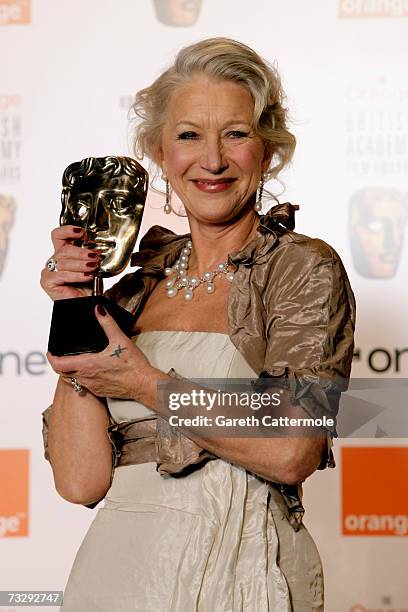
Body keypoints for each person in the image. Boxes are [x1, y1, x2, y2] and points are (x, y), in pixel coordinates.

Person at [41, 37, 355, 611]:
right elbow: (79, 481)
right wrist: (76, 307)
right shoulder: (133, 290)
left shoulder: (300, 269)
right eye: (188, 135)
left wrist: (145, 385)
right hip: (117, 576)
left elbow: (291, 449)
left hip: (241, 571)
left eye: (235, 134)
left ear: (268, 151)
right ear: (160, 154)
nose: (211, 160)